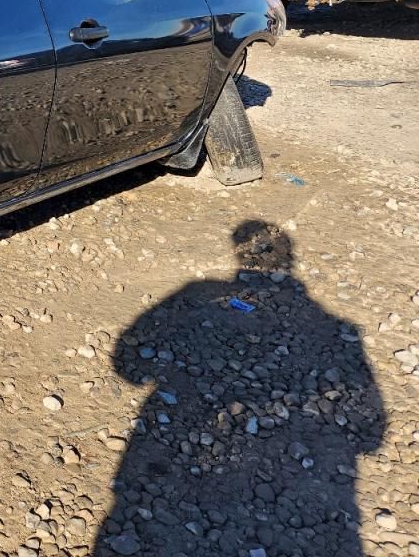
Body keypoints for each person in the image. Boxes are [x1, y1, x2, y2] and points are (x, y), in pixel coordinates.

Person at [96, 221, 385, 556]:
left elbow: (127, 366)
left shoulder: (200, 291)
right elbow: (372, 435)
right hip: (296, 489)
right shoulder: (335, 326)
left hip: (177, 456)